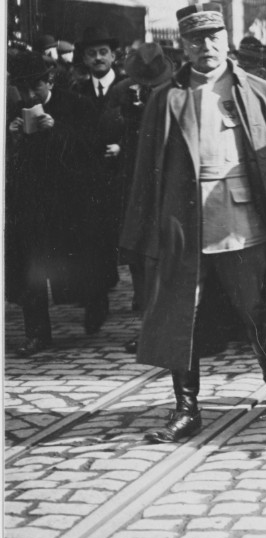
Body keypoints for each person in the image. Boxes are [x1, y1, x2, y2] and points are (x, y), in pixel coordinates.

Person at [120, 3, 266, 443]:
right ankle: (186, 408)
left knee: (253, 308)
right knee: (181, 315)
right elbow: (146, 171)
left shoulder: (257, 90)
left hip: (241, 219)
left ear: (227, 39)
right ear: (183, 46)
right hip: (184, 226)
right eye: (196, 39)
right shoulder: (167, 97)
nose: (206, 46)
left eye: (214, 36)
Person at [6, 52, 95, 356]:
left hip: (67, 203)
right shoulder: (13, 110)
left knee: (76, 263)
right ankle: (37, 334)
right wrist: (13, 137)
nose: (30, 96)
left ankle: (95, 303)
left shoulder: (75, 104)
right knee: (30, 266)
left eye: (36, 88)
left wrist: (56, 130)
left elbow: (89, 148)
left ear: (50, 80)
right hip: (29, 202)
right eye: (23, 89)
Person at [109, 43, 175, 354]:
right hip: (132, 179)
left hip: (166, 180)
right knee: (138, 252)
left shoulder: (176, 92)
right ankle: (147, 323)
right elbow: (105, 126)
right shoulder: (123, 91)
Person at [70, 26, 131, 335]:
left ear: (113, 56)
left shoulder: (127, 88)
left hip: (121, 177)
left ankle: (141, 302)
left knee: (125, 240)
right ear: (84, 58)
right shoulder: (77, 91)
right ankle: (96, 302)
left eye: (103, 53)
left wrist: (122, 147)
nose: (98, 58)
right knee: (92, 241)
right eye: (92, 54)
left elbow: (140, 127)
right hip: (88, 181)